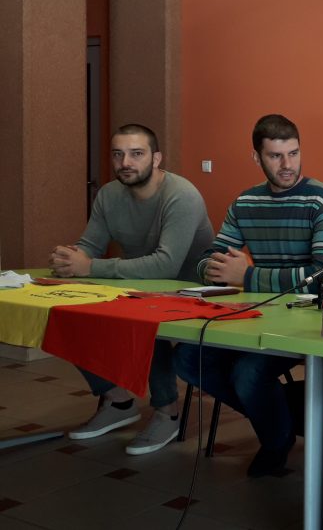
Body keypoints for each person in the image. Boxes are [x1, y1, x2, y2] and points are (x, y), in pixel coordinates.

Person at [173, 114, 323, 476]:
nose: (287, 165)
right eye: (275, 156)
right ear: (257, 157)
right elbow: (209, 258)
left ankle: (275, 439)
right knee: (187, 358)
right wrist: (216, 270)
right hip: (255, 314)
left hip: (305, 320)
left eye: (293, 153)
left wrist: (248, 276)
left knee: (248, 373)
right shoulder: (246, 201)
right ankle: (279, 423)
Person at [48, 123, 214, 455]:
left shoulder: (181, 195)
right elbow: (89, 247)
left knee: (143, 316)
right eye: (118, 154)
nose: (126, 162)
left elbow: (166, 266)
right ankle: (117, 400)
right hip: (137, 283)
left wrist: (90, 267)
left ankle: (167, 412)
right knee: (64, 311)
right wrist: (68, 260)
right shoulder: (109, 195)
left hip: (192, 291)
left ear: (156, 158)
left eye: (136, 154)